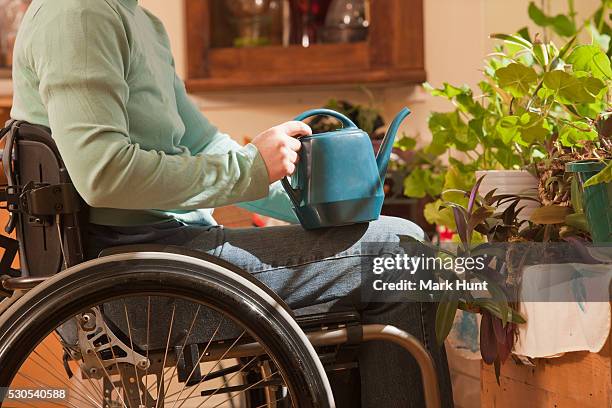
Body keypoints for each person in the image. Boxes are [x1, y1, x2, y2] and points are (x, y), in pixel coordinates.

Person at [10, 0, 453, 406]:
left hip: (166, 254)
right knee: (399, 251)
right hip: (135, 278)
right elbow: (104, 175)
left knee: (384, 243)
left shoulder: (139, 20)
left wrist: (313, 199)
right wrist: (249, 169)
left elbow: (202, 141)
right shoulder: (81, 12)